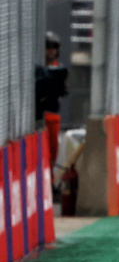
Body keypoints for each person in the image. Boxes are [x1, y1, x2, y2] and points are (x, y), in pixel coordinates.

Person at [35, 32, 68, 169]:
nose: (51, 51)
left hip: (52, 116)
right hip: (40, 116)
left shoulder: (57, 69)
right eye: (47, 47)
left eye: (54, 48)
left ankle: (50, 177)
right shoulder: (38, 69)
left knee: (52, 150)